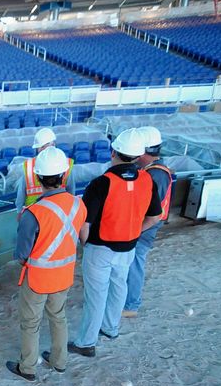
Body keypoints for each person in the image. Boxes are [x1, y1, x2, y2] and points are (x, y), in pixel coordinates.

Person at [69, 129, 162, 357]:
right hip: (128, 246)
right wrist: (134, 231)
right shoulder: (147, 179)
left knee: (96, 295)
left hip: (100, 248)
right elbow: (156, 216)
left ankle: (86, 342)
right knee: (119, 286)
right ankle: (111, 328)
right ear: (139, 156)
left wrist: (85, 244)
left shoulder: (102, 183)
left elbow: (85, 223)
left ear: (113, 152)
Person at [6, 147, 87, 381]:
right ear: (64, 176)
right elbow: (81, 236)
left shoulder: (33, 213)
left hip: (38, 279)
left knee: (31, 324)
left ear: (38, 178)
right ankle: (59, 361)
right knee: (58, 317)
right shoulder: (77, 204)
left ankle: (28, 367)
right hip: (64, 275)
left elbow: (22, 253)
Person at [123, 126, 173, 318]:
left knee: (134, 264)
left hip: (143, 229)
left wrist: (136, 230)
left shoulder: (155, 175)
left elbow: (152, 211)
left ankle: (131, 305)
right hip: (141, 226)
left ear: (145, 152)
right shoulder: (151, 171)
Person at [15, 128, 76, 213]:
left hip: (58, 212)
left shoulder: (66, 164)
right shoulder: (29, 166)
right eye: (39, 147)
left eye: (44, 146)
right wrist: (19, 211)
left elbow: (71, 192)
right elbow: (21, 195)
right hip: (34, 212)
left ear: (53, 144)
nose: (40, 150)